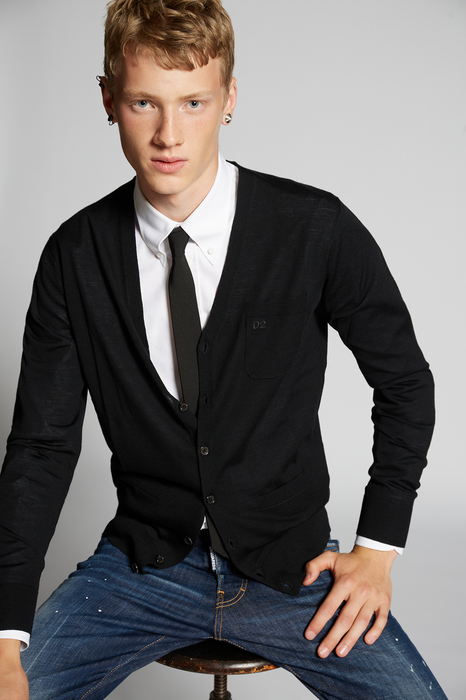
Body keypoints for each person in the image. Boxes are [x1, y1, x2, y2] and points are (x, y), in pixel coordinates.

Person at [0, 1, 448, 698]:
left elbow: (406, 382)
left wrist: (377, 550)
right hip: (139, 572)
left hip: (294, 570)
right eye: (144, 102)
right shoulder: (74, 255)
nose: (169, 134)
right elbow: (41, 448)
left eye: (194, 102)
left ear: (230, 98)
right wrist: (5, 638)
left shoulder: (313, 228)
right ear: (109, 100)